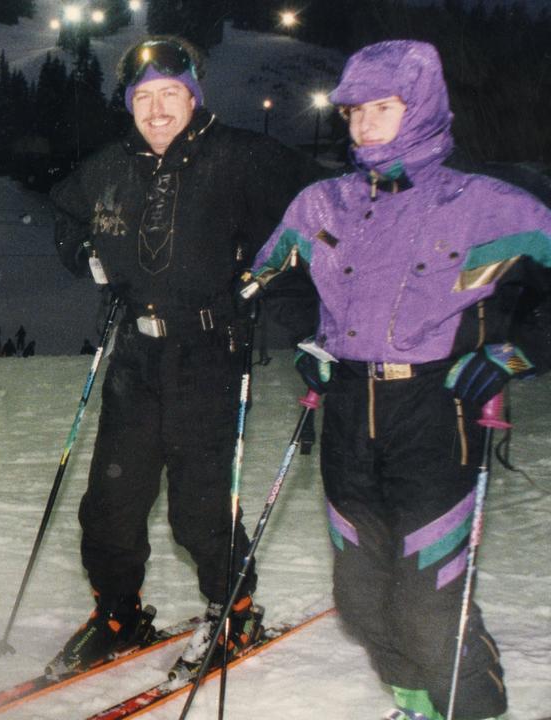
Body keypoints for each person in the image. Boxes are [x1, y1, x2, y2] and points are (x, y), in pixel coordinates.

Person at [246, 40, 551, 720]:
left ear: (422, 107)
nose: (364, 125)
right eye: (354, 111)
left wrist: (514, 353)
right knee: (360, 600)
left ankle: (471, 709)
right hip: (349, 416)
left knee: (427, 605)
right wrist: (309, 341)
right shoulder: (321, 204)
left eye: (383, 108)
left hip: (436, 415)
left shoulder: (490, 205)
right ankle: (417, 704)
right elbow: (274, 283)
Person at [47, 36, 321, 677]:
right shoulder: (111, 165)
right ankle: (117, 614)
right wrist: (84, 252)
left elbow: (320, 215)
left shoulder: (241, 156)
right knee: (111, 504)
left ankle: (235, 610)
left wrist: (269, 276)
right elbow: (65, 209)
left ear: (194, 97)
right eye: (144, 97)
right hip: (135, 359)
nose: (158, 109)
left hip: (208, 355)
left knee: (199, 506)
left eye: (172, 94)